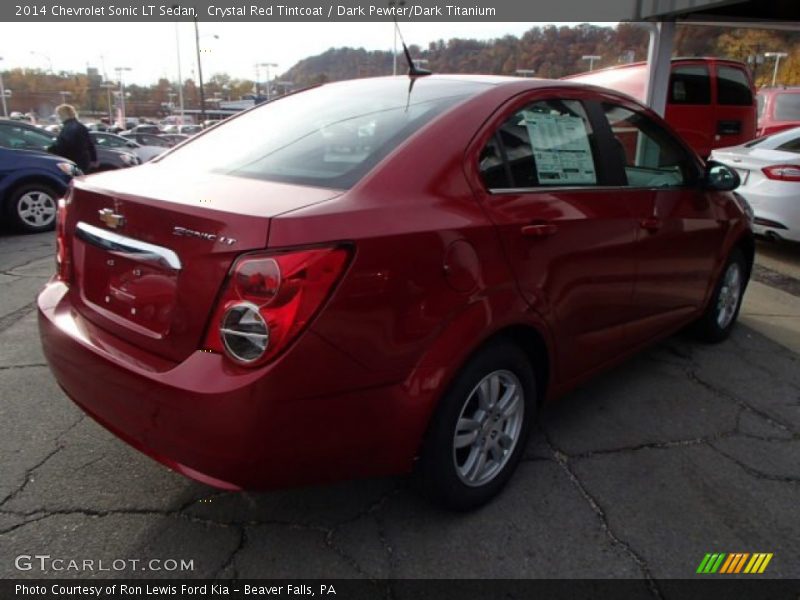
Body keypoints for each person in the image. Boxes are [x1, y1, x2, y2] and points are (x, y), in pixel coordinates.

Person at [48, 104, 97, 172]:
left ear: (62, 115)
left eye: (58, 115)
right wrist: (94, 159)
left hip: (72, 161)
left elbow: (62, 145)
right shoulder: (81, 126)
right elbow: (90, 144)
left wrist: (49, 150)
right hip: (83, 161)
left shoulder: (67, 128)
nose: (58, 117)